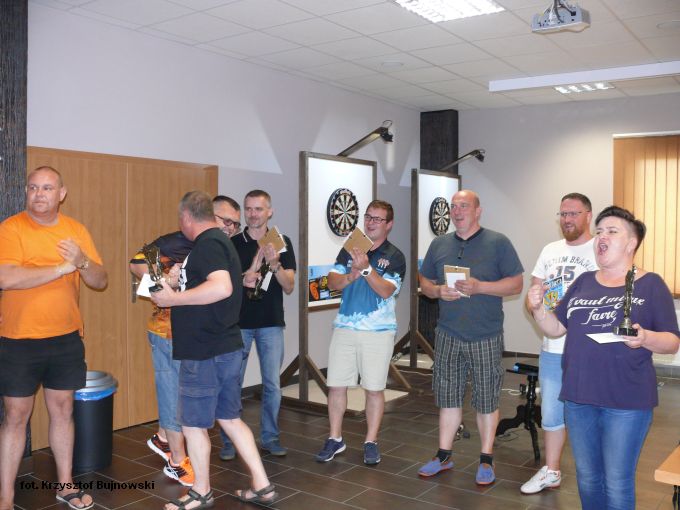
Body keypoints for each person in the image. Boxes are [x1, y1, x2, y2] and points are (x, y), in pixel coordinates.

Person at [527, 205, 680, 510]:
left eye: (611, 231)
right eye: (599, 232)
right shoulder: (584, 281)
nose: (601, 237)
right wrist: (538, 309)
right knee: (587, 477)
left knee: (617, 481)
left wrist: (645, 338)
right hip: (579, 397)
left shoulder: (651, 284)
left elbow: (672, 342)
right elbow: (556, 328)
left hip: (626, 401)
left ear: (631, 243)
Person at [150, 191, 276, 509]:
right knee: (230, 419)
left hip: (205, 351)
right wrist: (179, 283)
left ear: (186, 217)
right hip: (224, 346)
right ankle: (262, 485)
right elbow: (215, 288)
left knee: (193, 424)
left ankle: (201, 491)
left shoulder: (208, 244)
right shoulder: (220, 244)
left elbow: (221, 287)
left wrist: (173, 298)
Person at [0, 166, 107, 510]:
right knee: (16, 415)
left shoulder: (76, 230)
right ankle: (5, 498)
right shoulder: (11, 228)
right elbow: (7, 277)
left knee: (63, 411)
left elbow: (100, 280)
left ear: (62, 193)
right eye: (33, 187)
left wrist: (82, 260)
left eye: (47, 188)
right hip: (18, 339)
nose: (39, 194)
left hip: (65, 339)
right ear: (26, 192)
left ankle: (66, 486)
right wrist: (61, 268)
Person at [417, 189, 523, 485]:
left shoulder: (498, 242)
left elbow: (516, 284)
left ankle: (486, 459)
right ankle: (443, 455)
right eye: (453, 206)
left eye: (464, 206)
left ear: (478, 211)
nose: (457, 211)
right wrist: (437, 291)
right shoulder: (439, 244)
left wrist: (480, 287)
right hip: (448, 333)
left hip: (485, 335)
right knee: (448, 397)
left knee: (486, 400)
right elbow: (424, 281)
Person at [315, 200, 406, 465]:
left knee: (374, 389)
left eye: (378, 219)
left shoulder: (395, 255)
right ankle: (335, 438)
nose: (371, 222)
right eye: (368, 217)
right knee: (336, 385)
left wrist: (366, 269)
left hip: (378, 331)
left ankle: (370, 441)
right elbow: (333, 282)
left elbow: (386, 290)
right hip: (345, 327)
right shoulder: (350, 247)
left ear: (389, 224)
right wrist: (351, 276)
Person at [520, 193, 598, 494]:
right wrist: (534, 303)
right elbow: (533, 297)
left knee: (589, 415)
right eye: (563, 214)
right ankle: (551, 471)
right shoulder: (550, 250)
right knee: (552, 414)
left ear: (588, 215)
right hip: (553, 349)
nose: (567, 219)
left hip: (588, 351)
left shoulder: (600, 249)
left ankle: (596, 475)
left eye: (573, 213)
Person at [219, 190, 296, 460]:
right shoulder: (232, 242)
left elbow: (289, 286)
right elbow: (223, 282)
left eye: (259, 209)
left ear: (269, 212)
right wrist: (246, 274)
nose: (253, 214)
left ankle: (270, 437)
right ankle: (229, 441)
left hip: (270, 323)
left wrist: (274, 264)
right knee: (231, 382)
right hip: (237, 323)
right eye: (249, 209)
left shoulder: (282, 242)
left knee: (272, 384)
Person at [130, 232, 195, 487]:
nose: (229, 227)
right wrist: (165, 282)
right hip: (166, 332)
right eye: (224, 221)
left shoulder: (212, 245)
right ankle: (177, 462)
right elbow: (136, 264)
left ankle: (163, 438)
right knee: (172, 396)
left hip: (190, 333)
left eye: (234, 223)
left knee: (178, 394)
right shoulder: (177, 241)